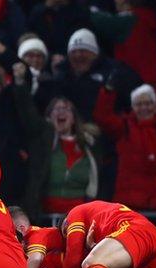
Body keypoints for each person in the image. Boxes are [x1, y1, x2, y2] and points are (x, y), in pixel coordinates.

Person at [93, 83, 156, 239]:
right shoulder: (124, 128)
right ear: (132, 107)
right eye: (139, 104)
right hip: (131, 207)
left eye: (148, 103)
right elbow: (102, 116)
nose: (144, 108)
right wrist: (109, 90)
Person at [14, 62, 100, 220]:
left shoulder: (89, 145)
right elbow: (28, 113)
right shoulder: (43, 143)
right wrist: (20, 83)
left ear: (73, 118)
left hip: (80, 219)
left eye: (66, 108)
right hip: (45, 218)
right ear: (48, 117)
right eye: (56, 109)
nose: (61, 112)